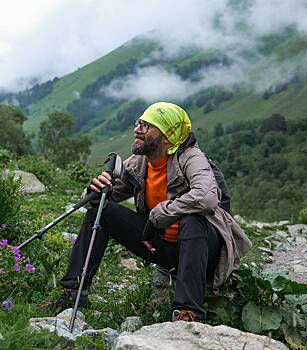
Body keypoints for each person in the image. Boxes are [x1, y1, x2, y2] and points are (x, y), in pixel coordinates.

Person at [51, 102, 252, 322]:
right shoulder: (140, 162)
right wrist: (94, 191)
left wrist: (159, 215)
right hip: (159, 245)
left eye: (147, 126)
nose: (137, 129)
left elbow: (206, 197)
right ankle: (72, 292)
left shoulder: (191, 158)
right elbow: (98, 199)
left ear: (166, 136)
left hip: (200, 250)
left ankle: (188, 312)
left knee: (193, 219)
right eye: (138, 123)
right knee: (101, 210)